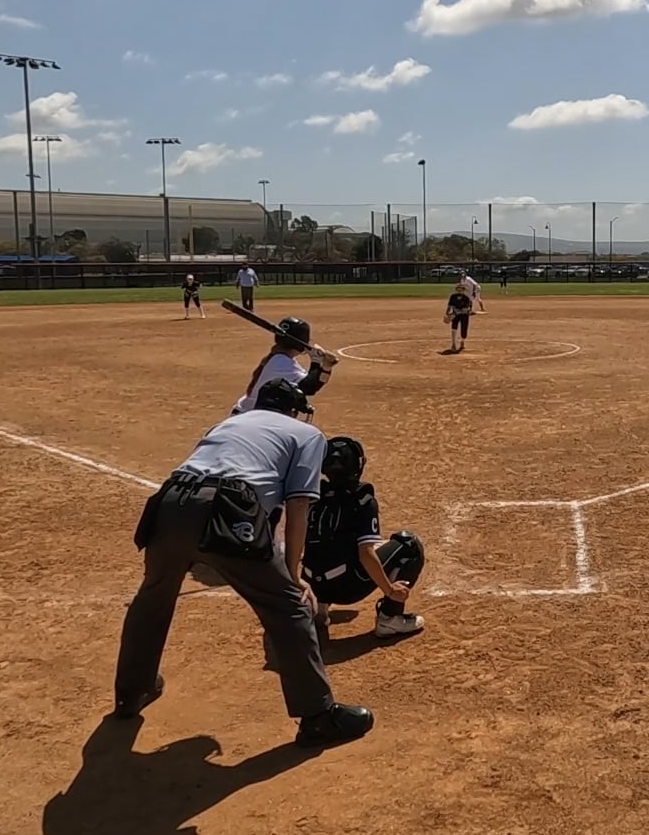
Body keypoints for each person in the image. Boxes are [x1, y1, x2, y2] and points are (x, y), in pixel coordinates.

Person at [112, 379, 374, 748]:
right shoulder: (307, 434)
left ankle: (131, 691)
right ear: (294, 410)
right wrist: (293, 575)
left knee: (153, 597)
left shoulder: (226, 424)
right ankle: (317, 717)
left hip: (169, 501)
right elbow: (298, 505)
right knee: (291, 607)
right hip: (227, 507)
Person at [302, 436, 427, 640]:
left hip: (312, 586)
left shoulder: (311, 496)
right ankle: (390, 618)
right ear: (357, 465)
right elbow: (366, 555)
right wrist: (390, 590)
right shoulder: (362, 500)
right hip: (346, 589)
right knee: (408, 545)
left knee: (330, 545)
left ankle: (318, 607)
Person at [231, 317, 337, 416]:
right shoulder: (280, 363)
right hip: (249, 419)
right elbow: (308, 388)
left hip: (252, 417)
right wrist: (316, 361)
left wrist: (326, 367)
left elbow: (313, 383)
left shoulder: (278, 359)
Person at [444, 281, 475, 353]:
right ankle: (453, 344)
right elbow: (449, 306)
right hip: (455, 314)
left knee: (464, 331)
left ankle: (462, 341)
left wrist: (456, 313)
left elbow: (465, 309)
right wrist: (447, 314)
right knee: (453, 328)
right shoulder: (453, 297)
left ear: (463, 290)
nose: (459, 290)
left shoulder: (466, 298)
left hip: (464, 315)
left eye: (461, 289)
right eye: (458, 289)